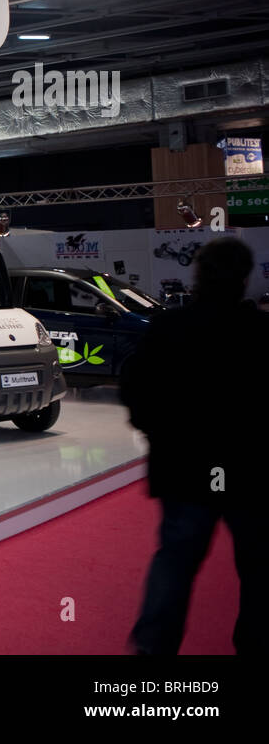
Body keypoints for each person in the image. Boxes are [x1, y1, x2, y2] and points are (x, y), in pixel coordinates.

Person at [121, 237, 267, 654]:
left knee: (176, 561)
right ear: (243, 279)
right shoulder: (259, 333)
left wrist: (157, 434)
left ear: (197, 275)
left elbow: (135, 392)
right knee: (259, 568)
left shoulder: (169, 328)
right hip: (250, 472)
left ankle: (154, 649)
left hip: (183, 469)